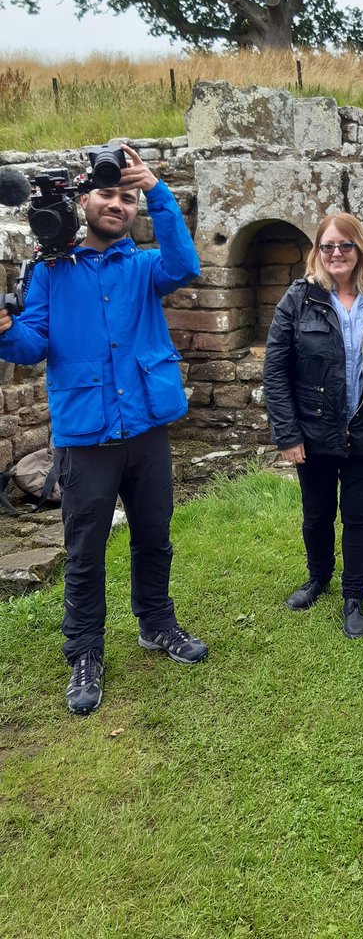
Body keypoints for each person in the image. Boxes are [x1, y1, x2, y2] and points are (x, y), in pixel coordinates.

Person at [0, 145, 207, 716]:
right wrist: (3, 329)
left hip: (145, 430)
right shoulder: (48, 271)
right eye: (107, 194)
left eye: (128, 197)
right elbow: (32, 344)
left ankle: (156, 623)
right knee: (85, 549)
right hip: (86, 436)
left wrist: (159, 191)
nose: (118, 204)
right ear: (82, 200)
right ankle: (85, 652)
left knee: (154, 536)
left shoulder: (144, 266)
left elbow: (186, 264)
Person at [263, 213, 363, 638]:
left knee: (359, 515)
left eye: (344, 245)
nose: (335, 254)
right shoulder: (298, 299)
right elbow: (275, 372)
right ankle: (318, 578)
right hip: (313, 428)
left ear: (360, 249)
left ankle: (354, 596)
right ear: (317, 251)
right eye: (327, 246)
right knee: (316, 514)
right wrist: (287, 435)